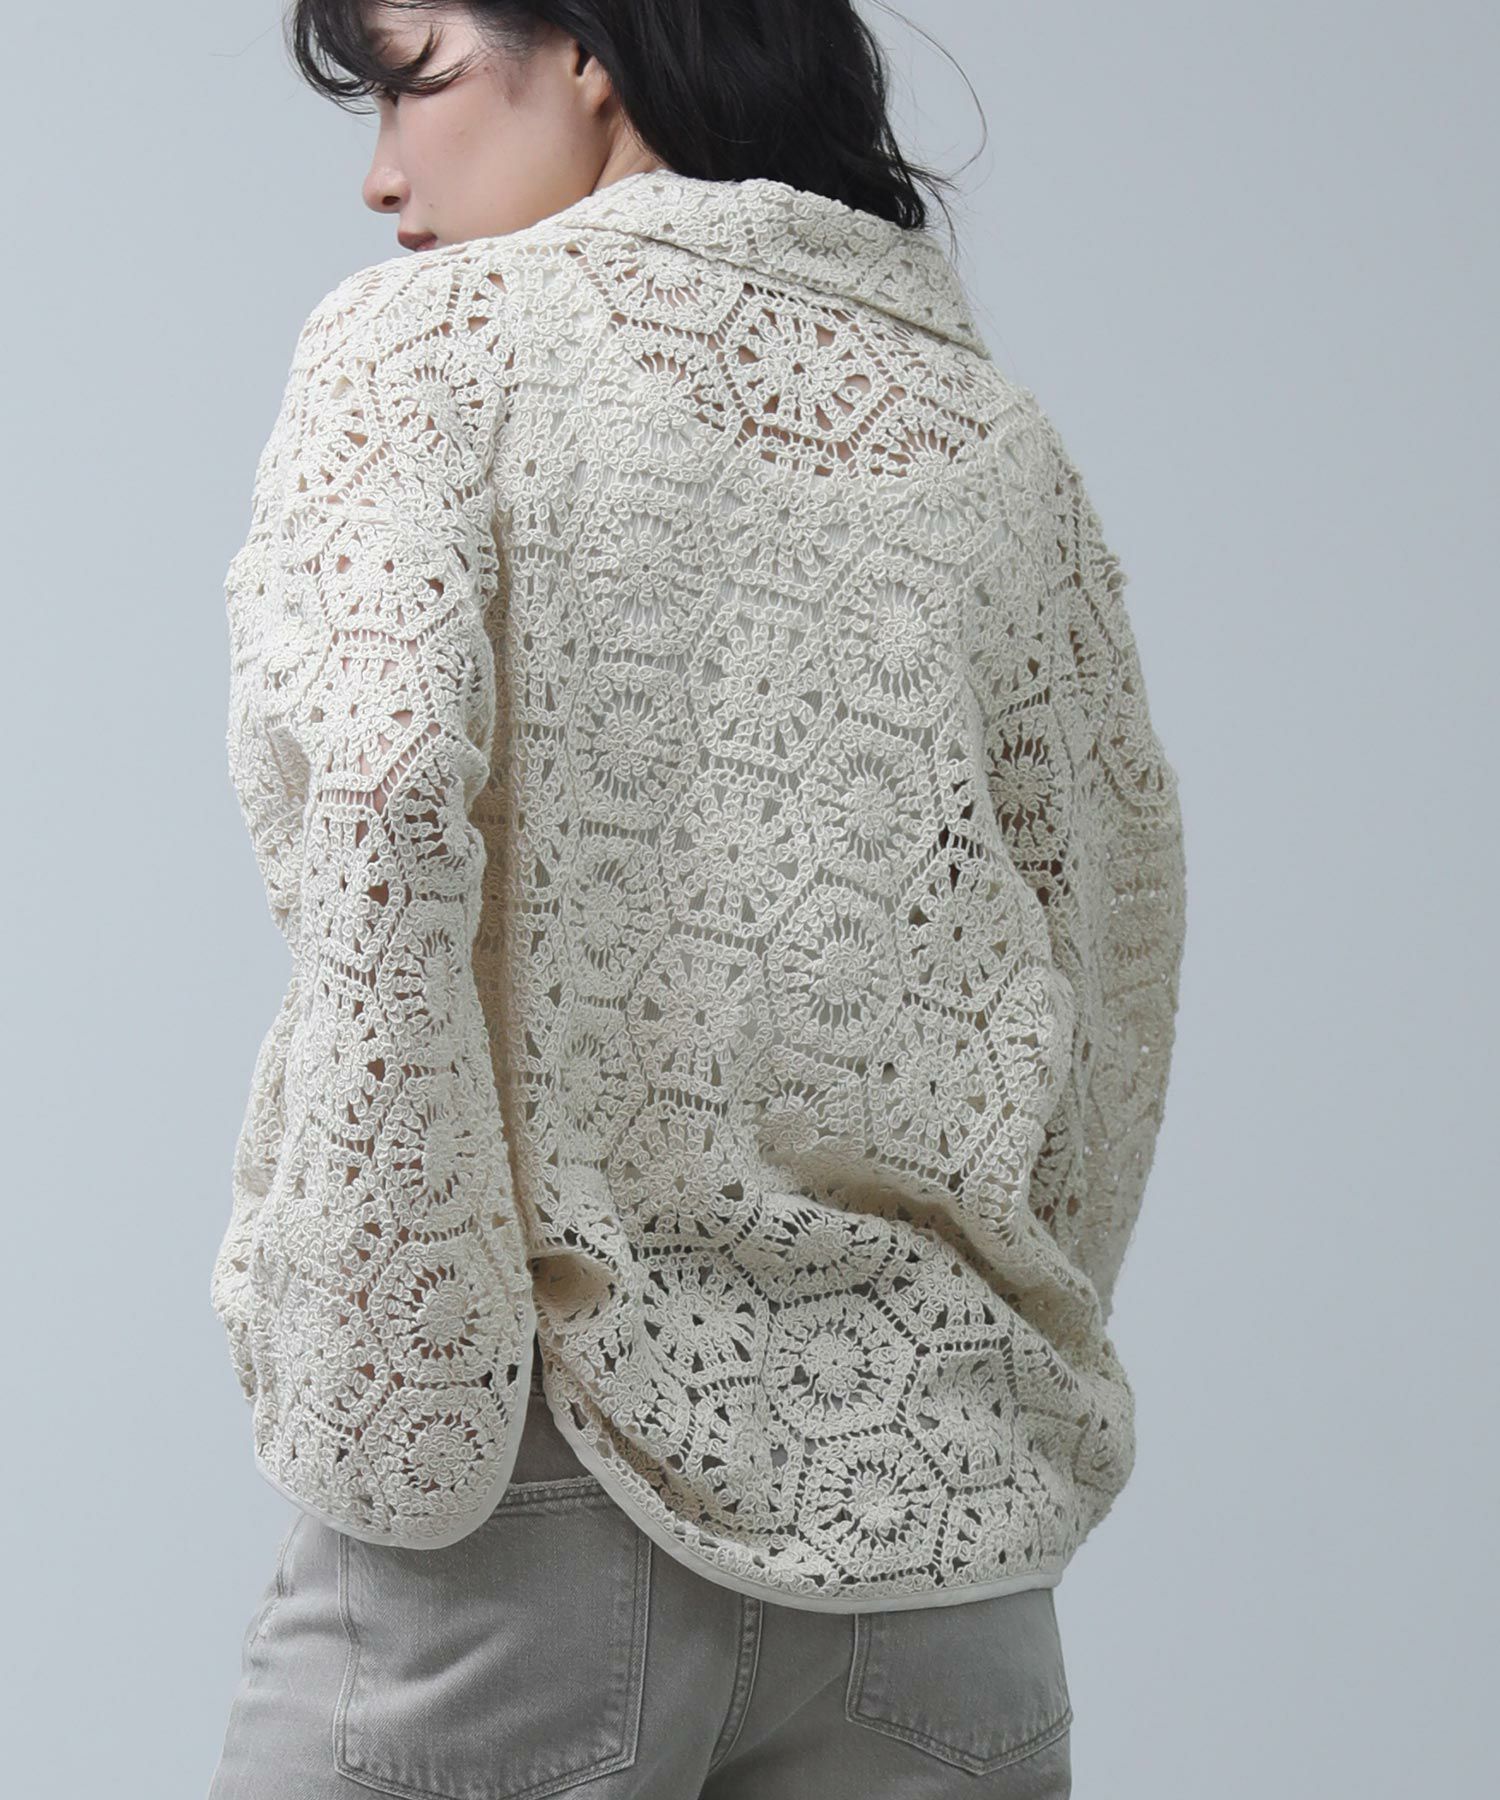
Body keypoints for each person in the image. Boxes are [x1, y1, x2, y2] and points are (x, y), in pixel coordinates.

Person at [206, 4, 1187, 1795]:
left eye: (417, 81)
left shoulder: (427, 345)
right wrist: (980, 1346)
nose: (383, 173)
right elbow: (1114, 934)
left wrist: (410, 1375)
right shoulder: (993, 439)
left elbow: (384, 785)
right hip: (935, 1538)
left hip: (527, 1509)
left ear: (592, 50)